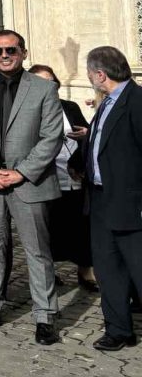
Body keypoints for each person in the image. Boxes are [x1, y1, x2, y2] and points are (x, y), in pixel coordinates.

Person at [0, 30, 63, 346]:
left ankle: (45, 315)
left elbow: (51, 137)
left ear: (23, 52)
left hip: (29, 183)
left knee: (37, 251)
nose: (4, 55)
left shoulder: (44, 88)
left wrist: (21, 172)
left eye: (11, 49)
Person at [81, 46, 142, 351]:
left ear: (100, 74)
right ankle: (119, 330)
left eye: (89, 72)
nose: (89, 77)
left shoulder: (137, 101)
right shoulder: (105, 104)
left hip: (131, 202)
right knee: (108, 268)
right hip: (100, 199)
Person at [28, 64, 96, 291]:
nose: (47, 86)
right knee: (50, 227)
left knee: (81, 224)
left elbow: (86, 132)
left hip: (75, 176)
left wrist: (85, 135)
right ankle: (49, 271)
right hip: (47, 177)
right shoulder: (28, 113)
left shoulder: (69, 106)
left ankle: (85, 270)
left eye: (51, 81)